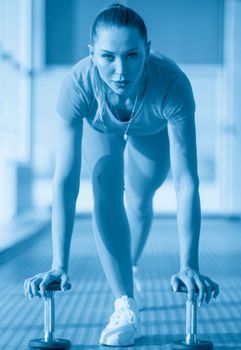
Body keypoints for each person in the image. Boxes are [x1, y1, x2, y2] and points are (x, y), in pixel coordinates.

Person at [24, 3, 219, 347]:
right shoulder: (78, 84)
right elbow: (66, 181)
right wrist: (58, 263)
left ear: (148, 50)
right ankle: (125, 303)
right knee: (104, 186)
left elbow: (186, 181)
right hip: (102, 128)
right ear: (92, 54)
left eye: (131, 55)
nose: (120, 70)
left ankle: (130, 267)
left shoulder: (172, 84)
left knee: (141, 199)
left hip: (151, 129)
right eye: (107, 57)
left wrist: (189, 265)